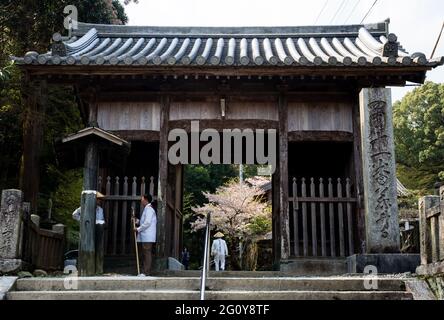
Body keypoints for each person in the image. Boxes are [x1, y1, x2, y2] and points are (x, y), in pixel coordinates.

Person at [134, 194, 157, 276]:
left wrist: (138, 229)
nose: (141, 200)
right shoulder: (146, 209)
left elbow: (147, 223)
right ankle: (143, 271)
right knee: (144, 253)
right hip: (145, 236)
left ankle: (146, 272)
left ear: (146, 200)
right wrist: (136, 221)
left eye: (142, 199)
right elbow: (144, 222)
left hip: (147, 236)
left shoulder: (149, 210)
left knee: (147, 253)